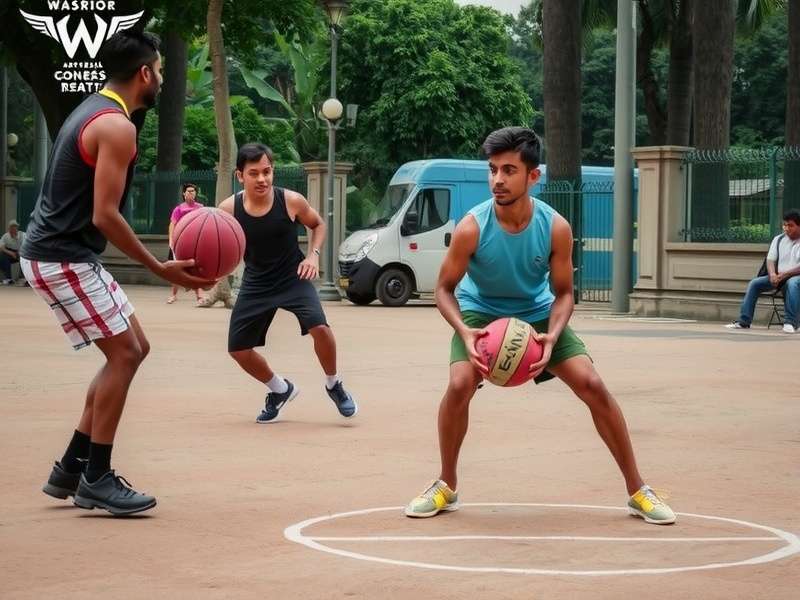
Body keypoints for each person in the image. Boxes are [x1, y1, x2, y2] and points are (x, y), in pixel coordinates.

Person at [404, 127, 676, 525]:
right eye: (493, 169)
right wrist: (464, 332)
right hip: (481, 312)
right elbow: (444, 290)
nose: (497, 179)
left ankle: (638, 490)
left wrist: (551, 336)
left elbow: (565, 293)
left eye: (509, 170)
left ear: (534, 176)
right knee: (460, 385)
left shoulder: (555, 227)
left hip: (537, 312)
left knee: (593, 385)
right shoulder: (471, 228)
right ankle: (446, 485)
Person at [20, 31, 215, 516]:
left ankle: (72, 465)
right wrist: (158, 265)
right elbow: (105, 214)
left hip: (64, 252)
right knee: (124, 354)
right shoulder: (117, 127)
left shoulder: (93, 109)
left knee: (133, 349)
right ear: (145, 73)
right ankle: (97, 478)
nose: (163, 80)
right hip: (60, 256)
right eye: (161, 71)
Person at [220, 143, 357, 423]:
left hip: (293, 277)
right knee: (238, 350)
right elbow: (218, 243)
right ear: (239, 176)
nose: (262, 179)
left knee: (320, 327)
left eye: (267, 171)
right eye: (254, 173)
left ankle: (334, 384)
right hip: (256, 282)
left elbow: (318, 224)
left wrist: (313, 257)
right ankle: (280, 389)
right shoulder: (228, 209)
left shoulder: (291, 200)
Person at [725, 209, 800, 333]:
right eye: (785, 225)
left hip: (796, 277)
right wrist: (772, 275)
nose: (786, 228)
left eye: (790, 225)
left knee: (792, 283)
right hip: (778, 276)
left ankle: (790, 322)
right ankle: (744, 321)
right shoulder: (779, 239)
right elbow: (770, 260)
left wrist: (785, 274)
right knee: (755, 283)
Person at [166, 183, 204, 305]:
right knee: (176, 269)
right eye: (188, 191)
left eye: (193, 191)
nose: (191, 193)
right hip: (180, 243)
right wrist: (171, 240)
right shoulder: (179, 209)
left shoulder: (200, 208)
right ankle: (173, 295)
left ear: (196, 193)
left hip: (195, 243)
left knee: (196, 269)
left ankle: (199, 296)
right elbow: (173, 224)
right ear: (183, 193)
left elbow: (204, 224)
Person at [0, 219, 25, 284]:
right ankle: (9, 278)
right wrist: (10, 253)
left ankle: (22, 278)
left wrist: (20, 252)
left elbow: (27, 245)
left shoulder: (22, 235)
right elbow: (1, 247)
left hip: (21, 251)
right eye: (12, 227)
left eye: (15, 226)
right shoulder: (6, 236)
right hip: (10, 252)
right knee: (2, 256)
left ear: (17, 228)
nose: (13, 228)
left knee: (24, 258)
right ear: (9, 228)